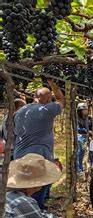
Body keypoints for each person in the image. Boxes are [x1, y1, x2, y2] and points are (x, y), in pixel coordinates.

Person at [13, 80, 65, 210]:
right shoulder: (47, 109)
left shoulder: (19, 112)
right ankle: (37, 214)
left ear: (35, 97)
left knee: (23, 187)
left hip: (19, 155)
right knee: (38, 186)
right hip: (38, 157)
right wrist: (53, 84)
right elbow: (61, 99)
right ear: (48, 99)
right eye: (50, 98)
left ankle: (22, 213)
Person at [76, 102, 93, 174]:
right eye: (83, 110)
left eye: (86, 109)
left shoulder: (89, 118)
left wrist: (91, 134)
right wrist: (87, 131)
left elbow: (92, 127)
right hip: (81, 137)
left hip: (89, 137)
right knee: (81, 153)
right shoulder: (77, 119)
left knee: (91, 152)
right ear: (80, 111)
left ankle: (90, 166)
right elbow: (78, 129)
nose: (85, 111)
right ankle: (79, 169)